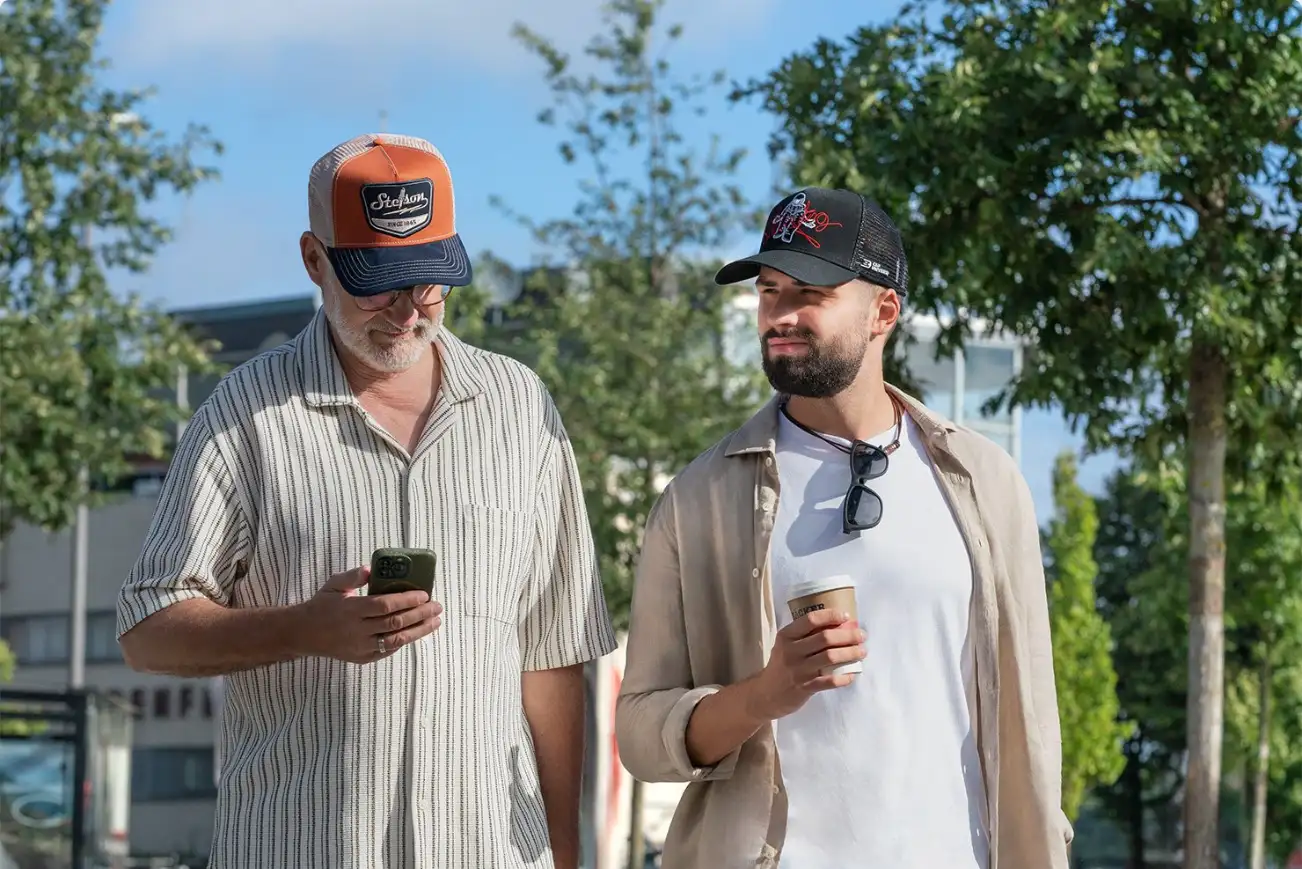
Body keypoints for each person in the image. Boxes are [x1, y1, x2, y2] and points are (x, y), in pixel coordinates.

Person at [117, 133, 617, 869]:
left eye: (430, 279)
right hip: (302, 847)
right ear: (313, 259)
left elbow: (551, 652)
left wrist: (568, 855)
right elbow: (146, 629)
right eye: (379, 281)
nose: (410, 310)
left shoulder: (520, 407)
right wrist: (303, 628)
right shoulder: (245, 413)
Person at [615, 187, 1071, 869]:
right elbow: (640, 732)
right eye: (770, 290)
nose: (781, 314)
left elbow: (1032, 718)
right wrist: (763, 695)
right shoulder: (698, 498)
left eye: (811, 292)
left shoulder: (985, 483)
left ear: (883, 310)